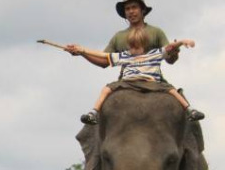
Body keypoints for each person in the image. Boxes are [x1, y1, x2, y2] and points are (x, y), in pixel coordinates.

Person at [67, 27, 204, 124]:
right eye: (131, 46)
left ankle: (190, 110)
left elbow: (170, 48)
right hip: (128, 82)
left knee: (172, 90)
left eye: (136, 47)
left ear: (144, 46)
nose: (133, 50)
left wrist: (182, 41)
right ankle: (94, 112)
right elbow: (103, 55)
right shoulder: (125, 55)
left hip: (152, 82)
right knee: (106, 89)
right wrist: (82, 50)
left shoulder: (154, 52)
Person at [65, 0, 179, 69]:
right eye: (127, 9)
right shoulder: (118, 36)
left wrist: (174, 52)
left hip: (153, 79)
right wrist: (82, 53)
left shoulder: (156, 32)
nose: (131, 11)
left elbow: (170, 60)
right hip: (126, 80)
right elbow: (104, 61)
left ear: (142, 10)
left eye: (134, 7)